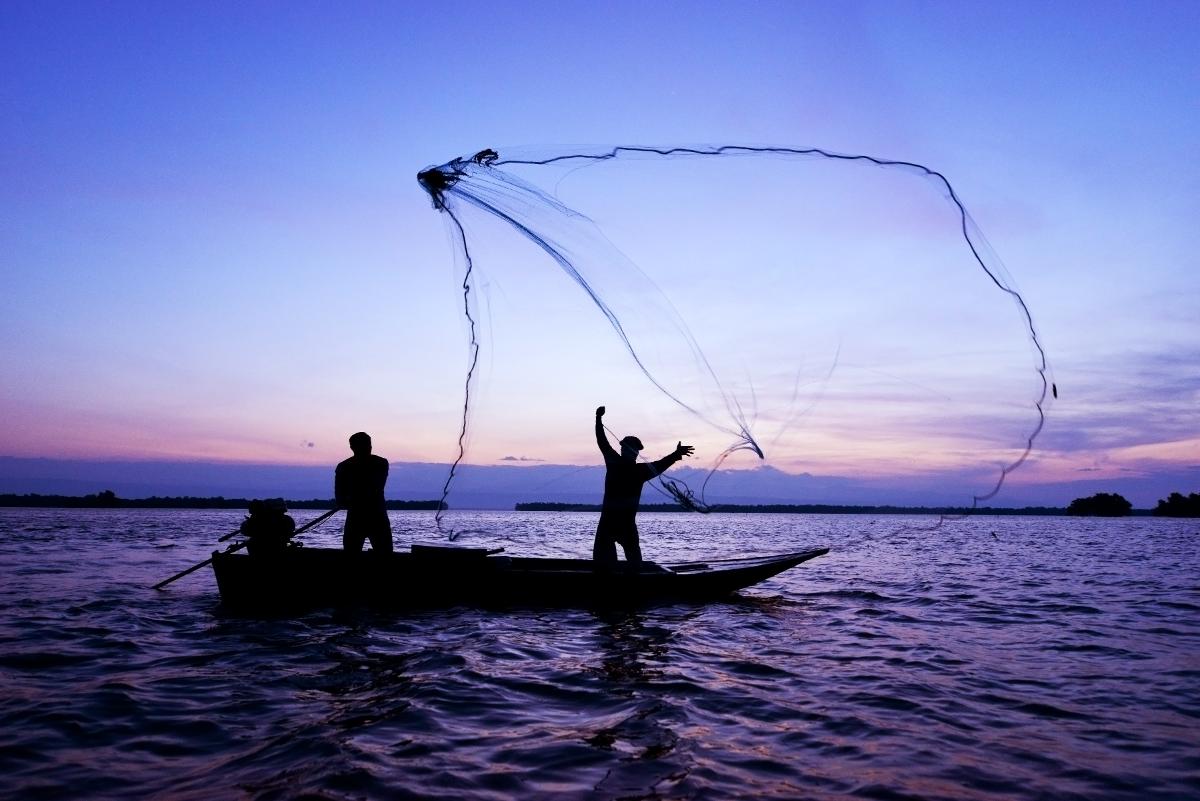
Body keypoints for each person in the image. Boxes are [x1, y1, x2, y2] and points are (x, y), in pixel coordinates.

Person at [593, 405, 694, 570]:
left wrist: (676, 455)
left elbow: (660, 464)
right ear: (622, 449)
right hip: (608, 525)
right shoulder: (614, 462)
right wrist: (598, 419)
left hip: (626, 526)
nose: (629, 451)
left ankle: (634, 585)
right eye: (626, 448)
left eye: (633, 449)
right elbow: (602, 441)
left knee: (635, 566)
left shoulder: (640, 470)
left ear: (635, 453)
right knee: (604, 567)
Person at [334, 431, 393, 553]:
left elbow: (341, 499)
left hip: (370, 518)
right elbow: (340, 499)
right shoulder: (381, 463)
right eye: (366, 444)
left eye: (368, 444)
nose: (369, 447)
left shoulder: (344, 466)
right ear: (352, 448)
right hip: (368, 518)